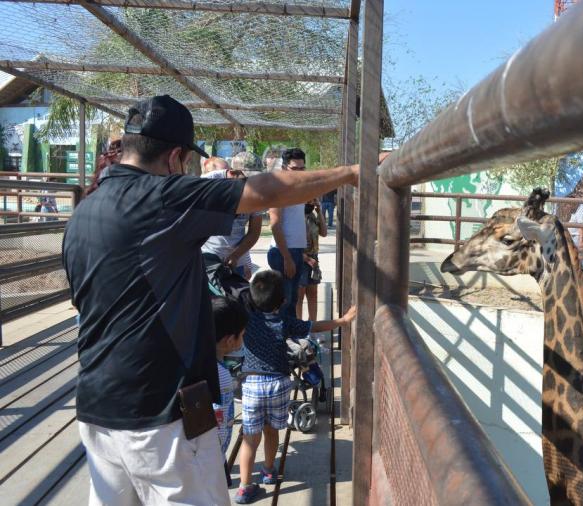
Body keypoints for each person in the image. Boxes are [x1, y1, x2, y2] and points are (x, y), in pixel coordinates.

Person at [62, 95, 365, 505]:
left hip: (96, 407)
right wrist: (349, 173)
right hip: (162, 411)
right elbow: (264, 190)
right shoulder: (163, 197)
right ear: (175, 159)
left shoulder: (84, 210)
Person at [236, 270, 356, 503]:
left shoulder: (247, 320)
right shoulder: (284, 322)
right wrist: (342, 321)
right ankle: (269, 471)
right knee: (272, 431)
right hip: (279, 384)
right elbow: (313, 326)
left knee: (250, 438)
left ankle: (244, 486)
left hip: (251, 384)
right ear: (282, 302)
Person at [202, 157, 263, 279]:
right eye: (246, 177)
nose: (249, 182)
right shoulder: (211, 180)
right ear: (233, 172)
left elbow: (254, 232)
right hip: (208, 259)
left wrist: (237, 256)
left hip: (237, 262)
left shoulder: (256, 192)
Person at [268, 148, 311, 319]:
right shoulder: (278, 190)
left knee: (292, 300)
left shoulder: (298, 189)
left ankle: (290, 338)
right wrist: (286, 257)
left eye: (302, 169)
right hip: (283, 252)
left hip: (295, 251)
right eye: (295, 169)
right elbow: (275, 225)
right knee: (284, 302)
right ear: (285, 167)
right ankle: (282, 340)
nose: (299, 173)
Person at [211, 296, 247, 460]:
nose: (242, 341)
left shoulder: (203, 364)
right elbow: (219, 417)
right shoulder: (222, 376)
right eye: (242, 336)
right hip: (213, 456)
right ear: (230, 340)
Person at [298, 198, 327, 321]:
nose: (310, 202)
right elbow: (291, 244)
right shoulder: (296, 217)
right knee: (299, 297)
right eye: (308, 200)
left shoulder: (312, 217)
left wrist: (319, 211)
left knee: (313, 295)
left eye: (312, 201)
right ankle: (299, 327)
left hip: (314, 259)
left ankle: (313, 327)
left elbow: (324, 233)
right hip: (300, 259)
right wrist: (306, 259)